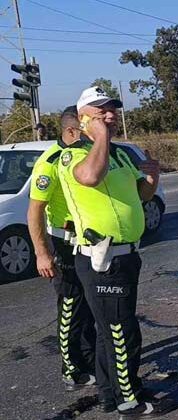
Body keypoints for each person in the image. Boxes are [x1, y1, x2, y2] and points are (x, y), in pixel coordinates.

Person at [56, 86, 171, 418]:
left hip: (126, 255)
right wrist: (99, 136)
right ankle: (128, 400)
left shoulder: (120, 154)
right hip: (100, 257)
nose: (110, 116)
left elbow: (144, 195)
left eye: (113, 111)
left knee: (111, 332)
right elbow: (90, 177)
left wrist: (152, 174)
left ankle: (113, 393)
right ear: (83, 118)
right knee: (122, 332)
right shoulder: (74, 154)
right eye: (101, 111)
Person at [27, 106, 97, 392]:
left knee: (90, 305)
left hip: (87, 242)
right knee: (70, 306)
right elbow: (35, 211)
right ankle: (71, 368)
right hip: (64, 243)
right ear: (71, 130)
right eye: (85, 128)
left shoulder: (84, 157)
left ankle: (91, 359)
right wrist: (42, 253)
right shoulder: (50, 162)